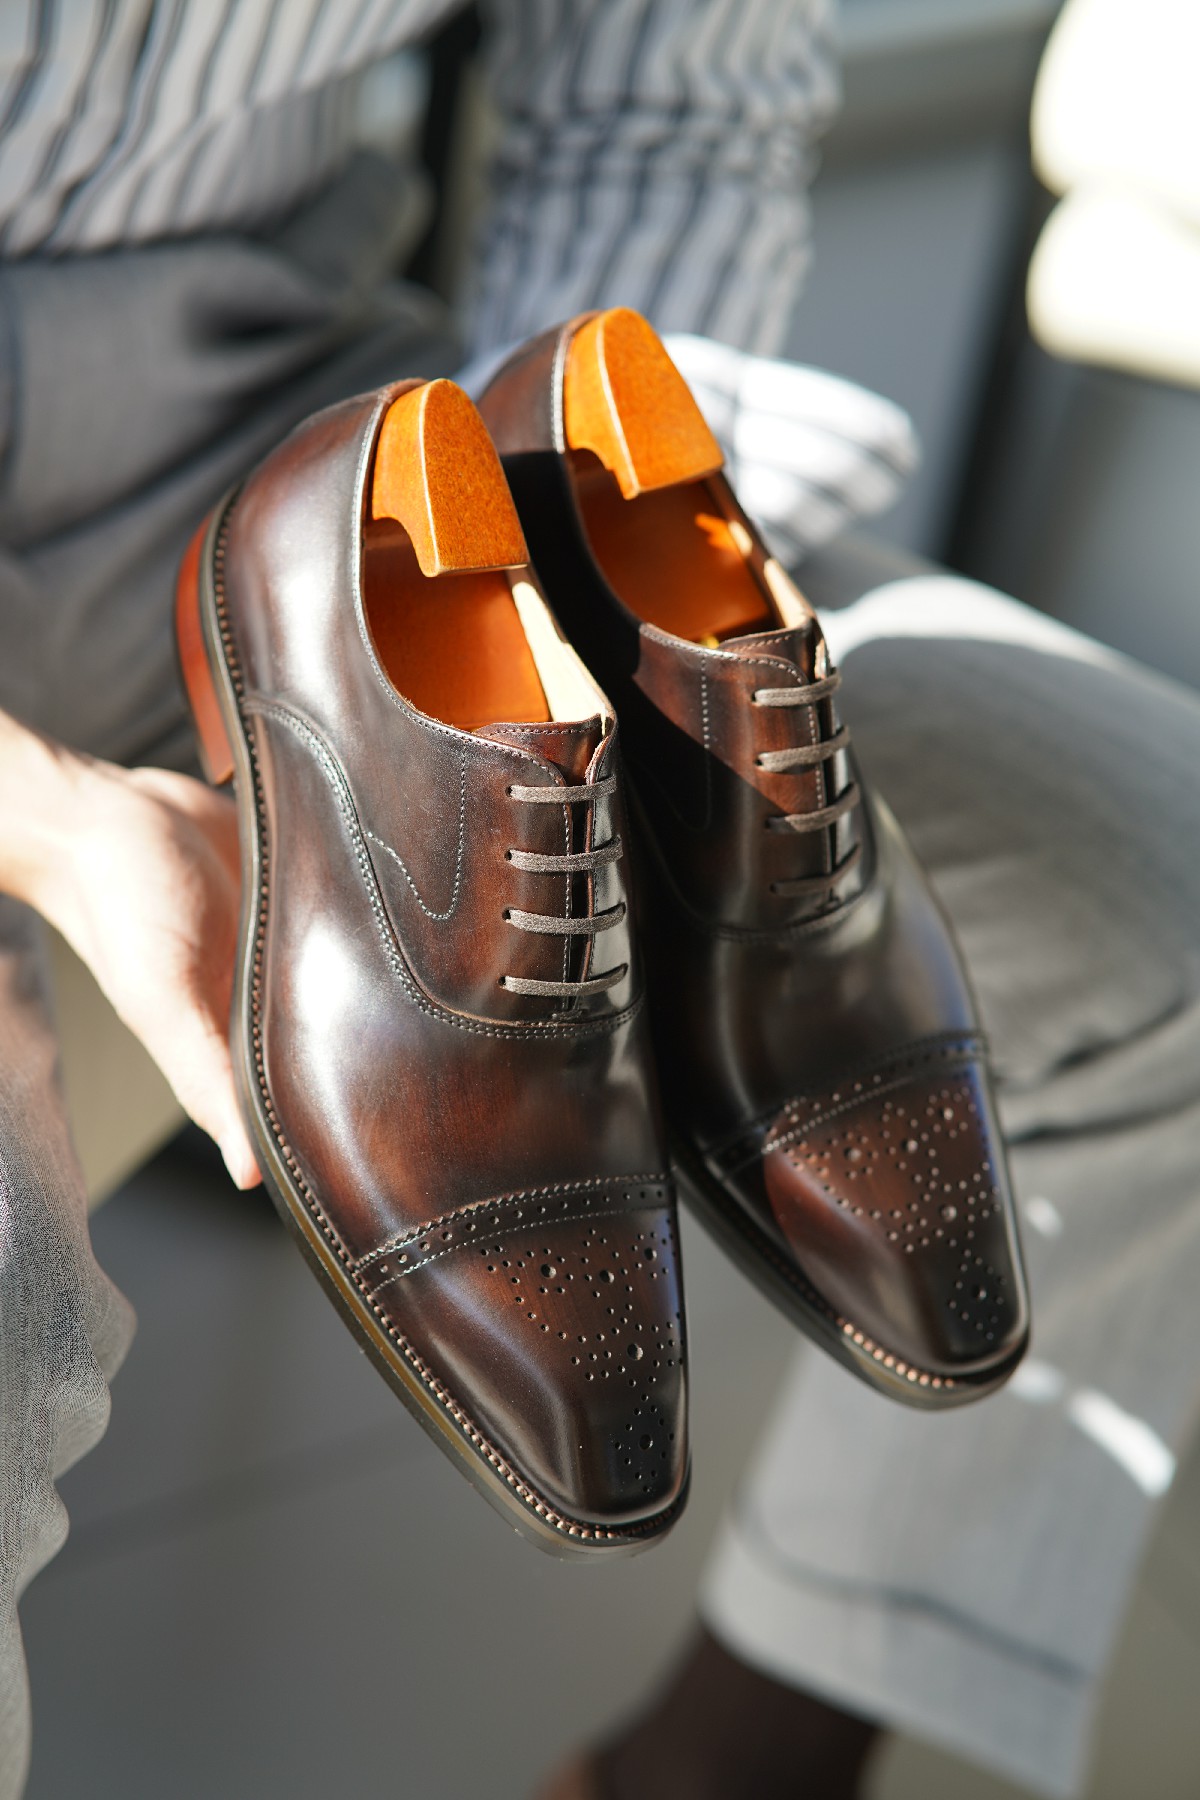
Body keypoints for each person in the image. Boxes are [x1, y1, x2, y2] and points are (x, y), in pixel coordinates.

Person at [1, 5, 1198, 1798]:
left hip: (314, 450)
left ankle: (722, 1770)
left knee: (1159, 886)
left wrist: (572, 587)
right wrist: (52, 820)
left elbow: (665, 114)